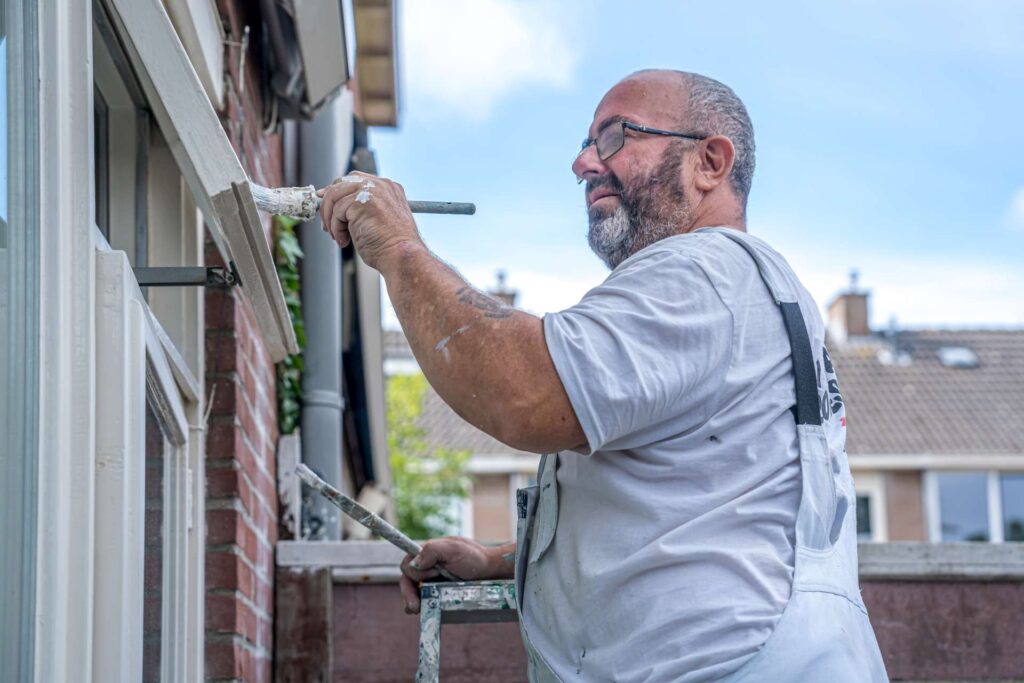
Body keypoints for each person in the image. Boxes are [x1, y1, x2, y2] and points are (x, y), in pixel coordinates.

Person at [318, 69, 888, 682]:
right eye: (587, 143)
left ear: (710, 162)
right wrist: (507, 561)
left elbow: (524, 393)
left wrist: (400, 248)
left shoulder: (703, 274)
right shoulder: (759, 294)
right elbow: (701, 506)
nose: (585, 163)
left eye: (615, 136)